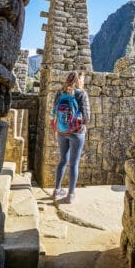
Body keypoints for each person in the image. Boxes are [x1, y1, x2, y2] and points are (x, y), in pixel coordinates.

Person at [51, 71, 90, 203]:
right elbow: (87, 117)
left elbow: (53, 112)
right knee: (74, 164)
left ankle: (56, 191)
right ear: (79, 80)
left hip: (62, 131)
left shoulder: (60, 93)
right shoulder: (82, 94)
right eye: (83, 79)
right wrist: (78, 123)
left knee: (62, 160)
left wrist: (57, 129)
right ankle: (70, 195)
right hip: (77, 133)